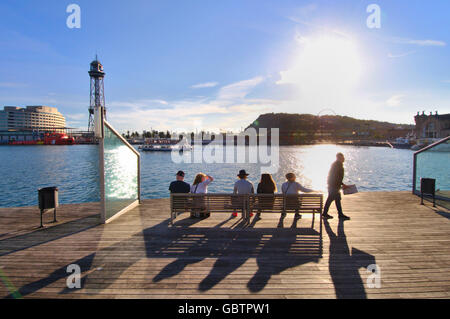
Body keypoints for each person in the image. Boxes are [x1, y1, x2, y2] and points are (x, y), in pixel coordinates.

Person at [322, 153, 351, 220]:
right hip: (334, 186)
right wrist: (341, 184)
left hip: (334, 185)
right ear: (339, 158)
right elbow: (336, 176)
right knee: (331, 199)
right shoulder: (337, 165)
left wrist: (341, 184)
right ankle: (326, 213)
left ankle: (339, 214)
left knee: (336, 199)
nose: (344, 158)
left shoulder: (337, 164)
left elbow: (337, 176)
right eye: (342, 157)